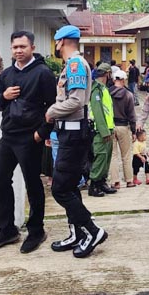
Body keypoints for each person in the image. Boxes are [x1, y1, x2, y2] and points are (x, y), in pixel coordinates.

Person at [0, 31, 56, 253]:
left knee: (33, 183)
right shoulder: (6, 75)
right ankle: (7, 229)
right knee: (1, 179)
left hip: (29, 136)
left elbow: (52, 107)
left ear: (32, 47)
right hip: (8, 135)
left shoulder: (43, 73)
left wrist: (41, 133)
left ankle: (36, 230)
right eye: (15, 47)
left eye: (22, 46)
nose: (18, 51)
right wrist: (4, 96)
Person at [46, 25, 107, 258]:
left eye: (57, 42)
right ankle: (77, 233)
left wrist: (51, 111)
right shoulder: (71, 65)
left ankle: (93, 231)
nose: (56, 46)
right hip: (68, 133)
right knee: (70, 187)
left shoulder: (75, 64)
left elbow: (76, 101)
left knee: (60, 189)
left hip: (73, 134)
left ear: (61, 41)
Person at [88, 63, 117, 197]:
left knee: (107, 157)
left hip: (108, 128)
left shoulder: (104, 88)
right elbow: (97, 112)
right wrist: (104, 131)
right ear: (107, 74)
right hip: (100, 131)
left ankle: (102, 182)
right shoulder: (96, 90)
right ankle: (94, 184)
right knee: (100, 157)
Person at [109, 69, 137, 188]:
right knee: (126, 155)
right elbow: (132, 115)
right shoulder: (128, 95)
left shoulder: (107, 93)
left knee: (113, 155)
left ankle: (115, 182)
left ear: (114, 79)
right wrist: (134, 130)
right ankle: (129, 180)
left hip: (110, 126)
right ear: (124, 80)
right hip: (123, 126)